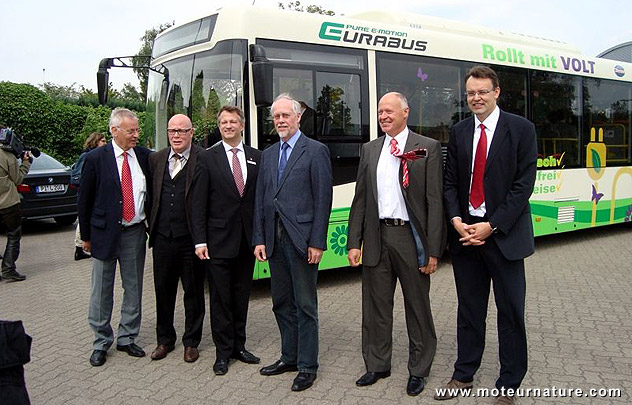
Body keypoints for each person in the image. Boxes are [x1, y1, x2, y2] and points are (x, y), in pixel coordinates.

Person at [437, 66, 537, 404]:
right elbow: (450, 182)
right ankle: (464, 374)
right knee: (469, 310)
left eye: (482, 91)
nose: (475, 98)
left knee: (510, 312)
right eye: (470, 93)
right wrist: (455, 220)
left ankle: (508, 385)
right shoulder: (460, 130)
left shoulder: (522, 130)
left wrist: (491, 225)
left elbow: (523, 186)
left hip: (503, 237)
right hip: (466, 239)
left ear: (496, 92)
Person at [347, 92, 445, 396]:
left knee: (417, 307)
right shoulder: (370, 149)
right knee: (375, 306)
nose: (384, 116)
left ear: (406, 112)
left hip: (410, 238)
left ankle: (419, 369)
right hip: (377, 238)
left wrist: (433, 250)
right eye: (379, 112)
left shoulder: (426, 148)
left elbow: (434, 202)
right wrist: (354, 242)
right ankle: (377, 364)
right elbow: (360, 199)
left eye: (389, 111)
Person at [253, 93, 332, 392]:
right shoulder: (269, 154)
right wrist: (259, 238)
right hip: (274, 240)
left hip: (301, 241)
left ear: (298, 117)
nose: (281, 121)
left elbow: (322, 200)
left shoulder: (315, 151)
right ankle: (289, 356)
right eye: (276, 117)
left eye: (286, 115)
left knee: (305, 305)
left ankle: (308, 366)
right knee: (281, 303)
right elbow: (262, 199)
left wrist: (317, 242)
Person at [78, 108, 151, 367]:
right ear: (114, 130)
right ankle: (100, 341)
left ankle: (127, 337)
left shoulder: (143, 156)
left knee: (133, 287)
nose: (136, 135)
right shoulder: (96, 158)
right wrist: (85, 236)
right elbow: (84, 200)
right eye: (131, 131)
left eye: (137, 130)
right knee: (101, 289)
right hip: (104, 235)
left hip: (134, 232)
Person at [193, 106, 261, 375]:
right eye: (223, 122)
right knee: (221, 299)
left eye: (233, 121)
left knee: (241, 296)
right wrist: (200, 241)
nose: (228, 125)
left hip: (247, 241)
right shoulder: (207, 158)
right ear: (219, 126)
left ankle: (239, 347)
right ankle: (223, 353)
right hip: (217, 242)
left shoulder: (258, 157)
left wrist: (260, 238)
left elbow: (259, 201)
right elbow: (197, 204)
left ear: (242, 125)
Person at [147, 114, 206, 363]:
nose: (177, 135)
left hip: (190, 239)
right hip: (162, 237)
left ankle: (191, 342)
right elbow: (151, 194)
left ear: (191, 132)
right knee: (163, 290)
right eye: (172, 131)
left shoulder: (203, 158)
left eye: (182, 131)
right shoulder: (156, 158)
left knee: (193, 292)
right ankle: (165, 340)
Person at [0, 125, 32, 282]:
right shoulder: (6, 155)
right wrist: (26, 163)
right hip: (7, 203)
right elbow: (17, 179)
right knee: (13, 235)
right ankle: (8, 269)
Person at [72, 132, 107, 261]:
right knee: (84, 219)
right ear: (95, 142)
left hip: (95, 194)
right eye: (102, 141)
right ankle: (79, 246)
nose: (105, 143)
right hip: (87, 193)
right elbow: (79, 175)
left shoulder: (103, 156)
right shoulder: (88, 156)